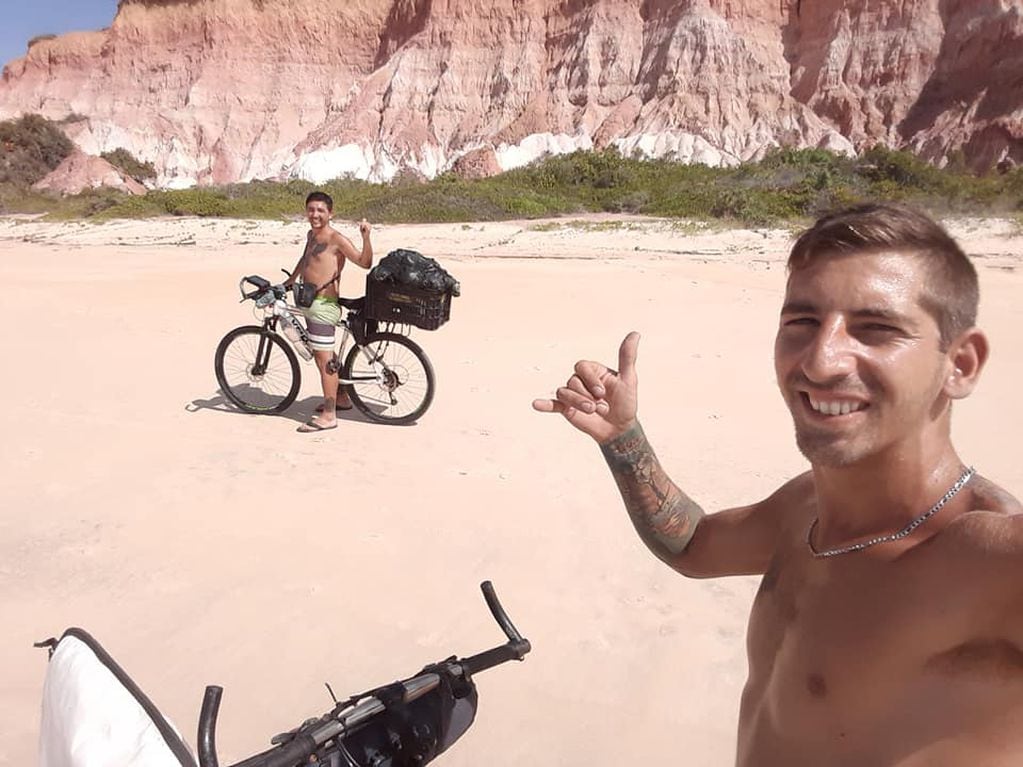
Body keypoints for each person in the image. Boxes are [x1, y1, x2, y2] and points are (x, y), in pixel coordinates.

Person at [533, 202, 1023, 765]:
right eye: (802, 323)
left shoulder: (985, 561)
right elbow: (692, 544)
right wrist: (623, 438)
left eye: (876, 328)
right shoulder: (806, 507)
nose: (821, 360)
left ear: (960, 364)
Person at [284, 191, 373, 432]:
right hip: (309, 301)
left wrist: (366, 237)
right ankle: (342, 397)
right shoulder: (311, 235)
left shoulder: (336, 239)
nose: (315, 214)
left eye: (320, 210)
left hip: (324, 305)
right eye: (311, 209)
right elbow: (305, 261)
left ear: (330, 213)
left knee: (325, 361)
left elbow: (364, 262)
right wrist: (289, 282)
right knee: (323, 354)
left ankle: (330, 415)